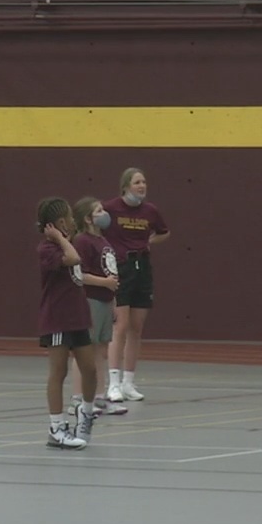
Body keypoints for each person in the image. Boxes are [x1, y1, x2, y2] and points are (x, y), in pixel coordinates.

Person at [101, 168, 170, 403]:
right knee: (120, 325)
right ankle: (113, 383)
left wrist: (150, 241)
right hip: (121, 268)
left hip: (142, 267)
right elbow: (93, 225)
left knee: (136, 327)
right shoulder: (110, 208)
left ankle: (128, 382)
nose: (142, 186)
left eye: (144, 182)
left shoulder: (150, 211)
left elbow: (164, 232)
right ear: (125, 186)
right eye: (137, 182)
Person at [36, 198, 96, 449]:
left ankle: (86, 411)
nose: (73, 221)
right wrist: (61, 239)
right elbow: (73, 258)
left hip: (78, 316)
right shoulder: (47, 249)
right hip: (58, 319)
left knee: (90, 369)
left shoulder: (70, 242)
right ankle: (57, 428)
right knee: (58, 372)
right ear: (61, 222)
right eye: (70, 217)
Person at [66, 196, 126, 417]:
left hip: (105, 300)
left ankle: (99, 396)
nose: (104, 214)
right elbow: (79, 274)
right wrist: (104, 283)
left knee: (100, 350)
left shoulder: (103, 241)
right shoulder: (82, 241)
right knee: (84, 351)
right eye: (99, 211)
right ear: (88, 218)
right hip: (89, 300)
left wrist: (113, 299)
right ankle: (77, 399)